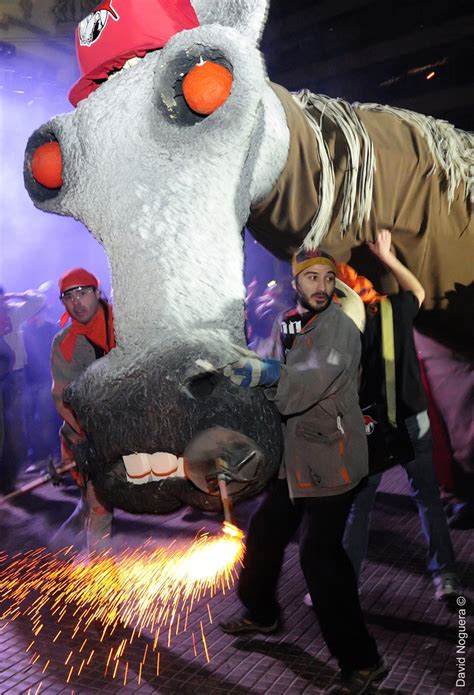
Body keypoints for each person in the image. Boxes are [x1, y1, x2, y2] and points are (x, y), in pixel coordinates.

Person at [220, 248, 386, 695]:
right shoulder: (293, 322)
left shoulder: (340, 327)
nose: (320, 287)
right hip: (297, 460)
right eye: (310, 278)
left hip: (334, 460)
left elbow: (300, 387)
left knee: (318, 555)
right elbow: (268, 365)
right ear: (296, 283)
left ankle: (363, 660)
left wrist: (262, 372)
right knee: (266, 529)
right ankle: (262, 610)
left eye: (327, 279)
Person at [342, 230, 460, 601]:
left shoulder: (357, 321)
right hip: (397, 421)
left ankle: (347, 584)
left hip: (385, 423)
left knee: (365, 505)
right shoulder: (380, 313)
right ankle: (446, 577)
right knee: (416, 498)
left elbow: (418, 294)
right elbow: (419, 293)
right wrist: (388, 256)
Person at [51, 268, 115, 554]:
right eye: (69, 297)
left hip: (131, 426)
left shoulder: (125, 325)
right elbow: (64, 400)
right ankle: (101, 578)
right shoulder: (64, 344)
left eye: (83, 292)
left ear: (97, 292)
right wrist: (88, 438)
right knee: (97, 499)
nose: (77, 302)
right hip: (87, 434)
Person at [0, 286, 46, 493]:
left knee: (14, 430)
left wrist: (16, 295)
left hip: (13, 377)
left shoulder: (13, 312)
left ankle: (9, 479)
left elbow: (39, 300)